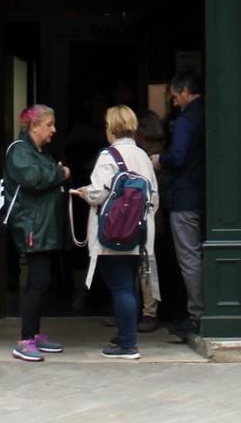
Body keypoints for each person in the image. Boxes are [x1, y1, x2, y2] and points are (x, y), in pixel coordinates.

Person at [74, 105, 159, 359]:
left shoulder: (107, 156)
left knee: (121, 287)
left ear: (111, 128)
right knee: (129, 285)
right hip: (139, 232)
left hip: (112, 233)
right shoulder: (143, 155)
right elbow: (154, 196)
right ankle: (125, 334)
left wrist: (84, 193)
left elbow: (99, 192)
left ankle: (128, 344)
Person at [3, 104, 70, 362]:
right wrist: (60, 172)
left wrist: (53, 173)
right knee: (38, 281)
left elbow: (43, 175)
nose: (54, 130)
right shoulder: (20, 151)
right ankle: (25, 340)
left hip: (44, 225)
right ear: (34, 126)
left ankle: (35, 333)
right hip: (32, 226)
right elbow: (34, 178)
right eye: (49, 124)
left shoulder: (39, 151)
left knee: (41, 281)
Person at [150, 71, 205, 336]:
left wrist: (160, 160)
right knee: (198, 255)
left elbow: (178, 157)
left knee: (189, 257)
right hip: (205, 194)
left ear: (185, 92)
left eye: (174, 96)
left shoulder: (186, 120)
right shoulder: (210, 113)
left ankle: (197, 315)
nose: (173, 102)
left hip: (185, 196)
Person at [133, 109, 167, 332]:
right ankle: (144, 311)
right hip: (153, 216)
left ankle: (148, 312)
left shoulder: (150, 156)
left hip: (151, 217)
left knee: (147, 264)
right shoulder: (146, 152)